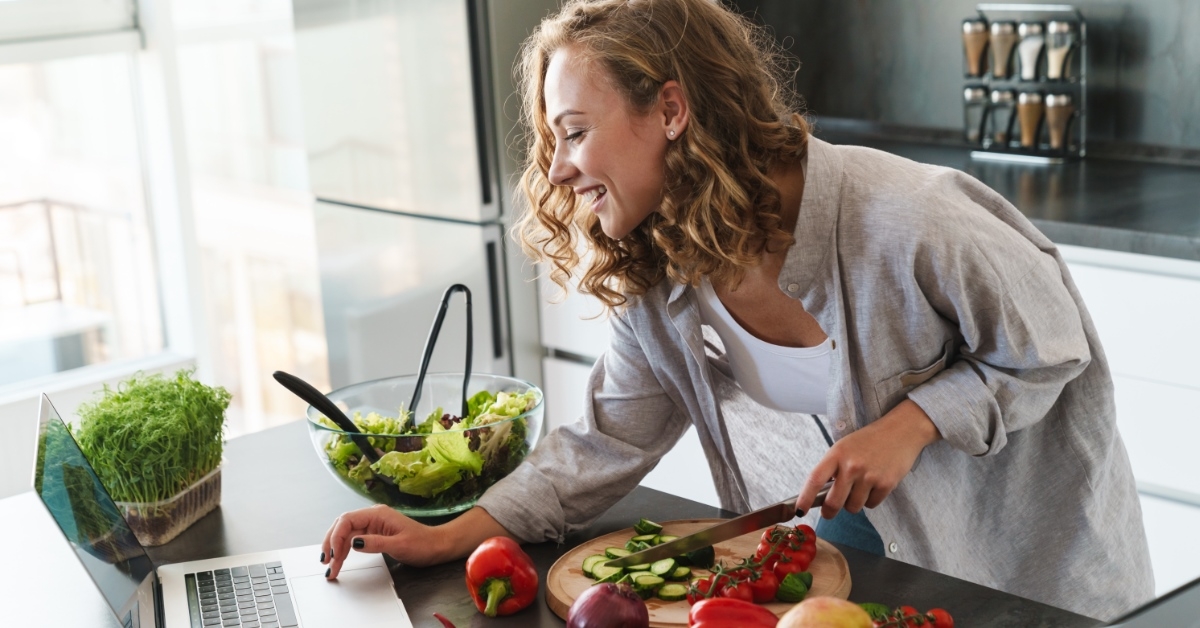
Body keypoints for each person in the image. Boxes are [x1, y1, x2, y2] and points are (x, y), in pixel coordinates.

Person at [319, 0, 1153, 619]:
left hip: (1027, 592)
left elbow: (1053, 346)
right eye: (552, 142)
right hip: (840, 594)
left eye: (573, 132)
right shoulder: (659, 271)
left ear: (671, 110)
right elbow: (607, 440)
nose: (560, 169)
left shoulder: (910, 218)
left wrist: (914, 423)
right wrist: (447, 532)